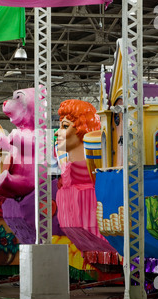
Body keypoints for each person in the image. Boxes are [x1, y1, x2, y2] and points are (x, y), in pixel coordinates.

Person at [55, 99, 117, 267]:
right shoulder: (68, 171)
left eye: (65, 126)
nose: (57, 132)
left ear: (82, 128)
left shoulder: (90, 175)